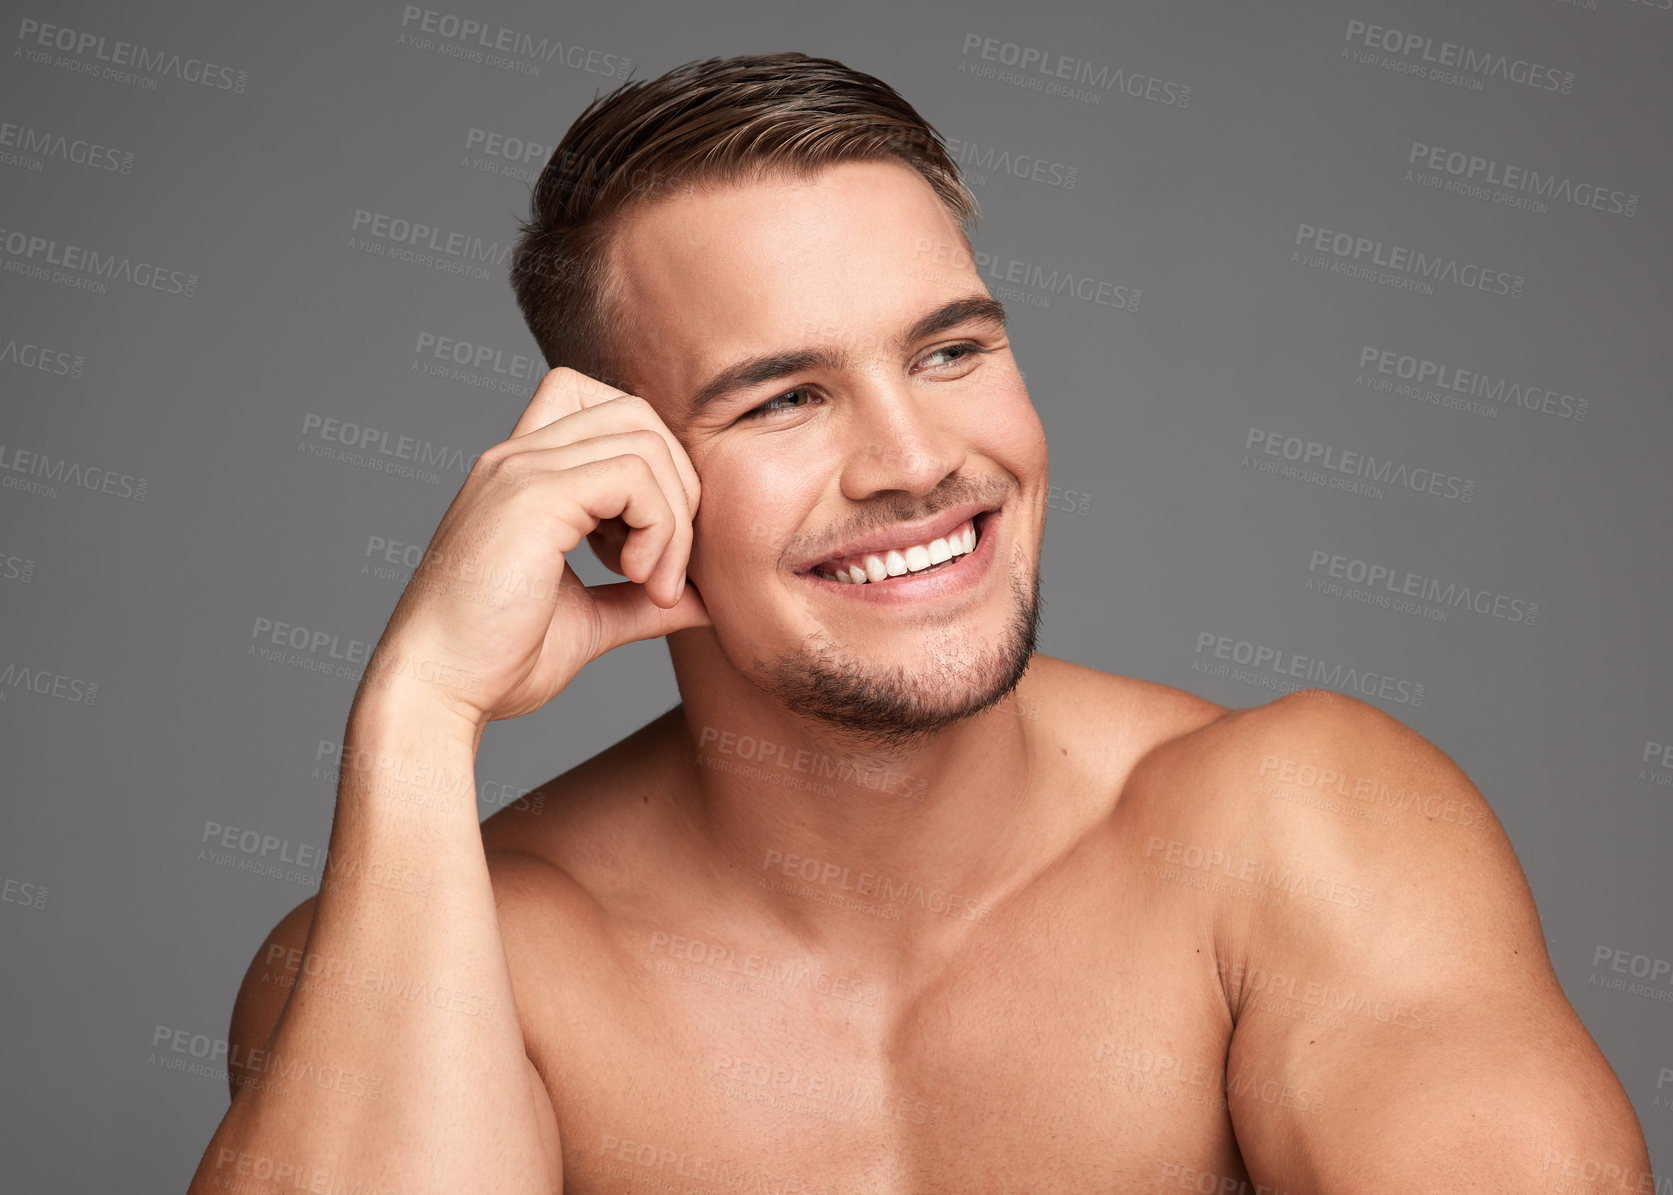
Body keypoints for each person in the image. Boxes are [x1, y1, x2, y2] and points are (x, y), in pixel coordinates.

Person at [187, 52, 1650, 1194]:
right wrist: (417, 712)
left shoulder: (1300, 829)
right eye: (782, 396)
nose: (912, 459)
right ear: (617, 483)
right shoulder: (453, 950)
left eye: (948, 350)